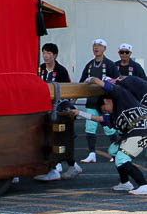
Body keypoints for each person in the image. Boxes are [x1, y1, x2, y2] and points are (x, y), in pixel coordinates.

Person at [76, 77, 147, 196]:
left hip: (142, 129)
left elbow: (111, 87)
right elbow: (98, 118)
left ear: (107, 101)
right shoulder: (113, 115)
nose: (106, 112)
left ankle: (143, 184)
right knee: (113, 150)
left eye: (104, 110)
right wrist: (78, 113)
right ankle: (125, 182)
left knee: (121, 158)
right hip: (133, 133)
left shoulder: (122, 97)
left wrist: (94, 80)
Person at [34, 43, 82, 181]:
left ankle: (57, 168)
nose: (46, 56)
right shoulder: (40, 69)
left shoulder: (61, 70)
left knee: (59, 139)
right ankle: (61, 166)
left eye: (49, 53)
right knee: (48, 139)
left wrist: (66, 107)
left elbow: (67, 90)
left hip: (58, 109)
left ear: (55, 55)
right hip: (43, 109)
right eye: (44, 53)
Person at [78, 38, 119, 163]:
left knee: (109, 128)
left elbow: (117, 82)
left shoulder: (110, 64)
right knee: (90, 128)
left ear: (105, 48)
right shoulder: (89, 64)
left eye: (99, 46)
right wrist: (73, 99)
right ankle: (91, 154)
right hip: (91, 101)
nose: (96, 48)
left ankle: (116, 153)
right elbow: (81, 82)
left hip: (105, 103)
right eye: (94, 46)